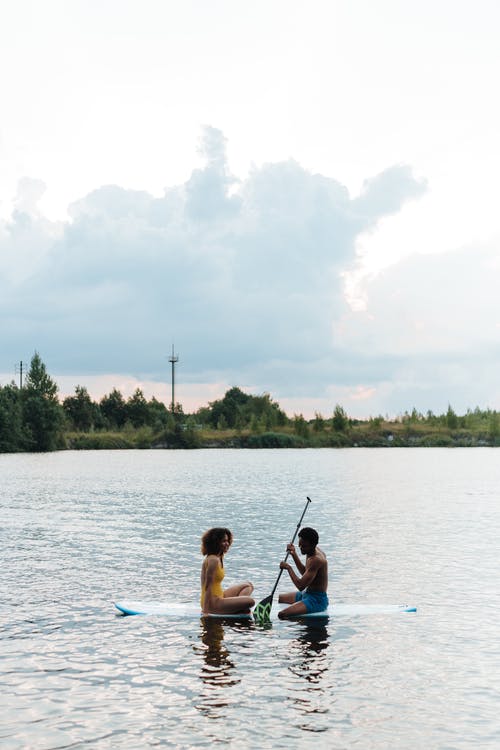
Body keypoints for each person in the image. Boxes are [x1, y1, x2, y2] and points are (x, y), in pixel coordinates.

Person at [200, 527, 255, 614]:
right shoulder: (213, 560)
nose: (227, 544)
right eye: (223, 541)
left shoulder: (219, 556)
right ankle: (239, 607)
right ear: (216, 543)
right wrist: (206, 611)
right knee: (251, 601)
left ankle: (239, 607)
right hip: (212, 602)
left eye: (227, 541)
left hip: (220, 596)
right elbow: (207, 586)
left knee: (248, 585)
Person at [278, 527, 328, 618]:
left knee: (282, 615)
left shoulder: (316, 560)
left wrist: (289, 568)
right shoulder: (310, 551)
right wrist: (294, 553)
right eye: (299, 545)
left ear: (313, 545)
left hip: (316, 600)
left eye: (304, 546)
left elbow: (301, 586)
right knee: (280, 598)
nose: (301, 548)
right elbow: (306, 572)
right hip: (306, 594)